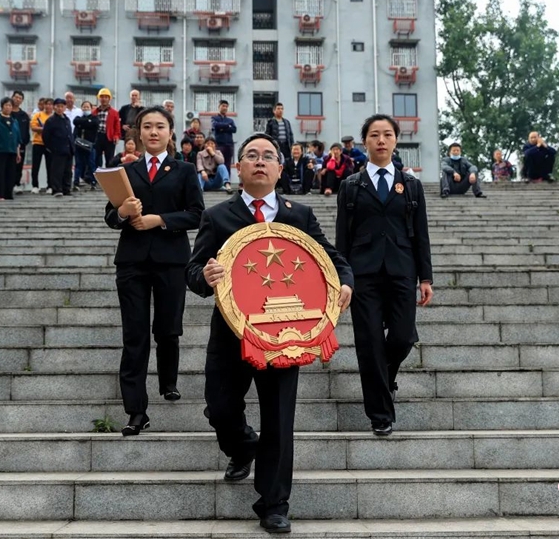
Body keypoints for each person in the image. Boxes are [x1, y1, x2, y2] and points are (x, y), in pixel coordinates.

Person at [186, 132, 353, 534]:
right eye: (251, 156)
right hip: (232, 333)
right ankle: (243, 446)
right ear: (239, 168)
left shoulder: (300, 215)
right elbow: (192, 274)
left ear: (280, 168)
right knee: (220, 407)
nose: (260, 161)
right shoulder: (218, 216)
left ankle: (274, 503)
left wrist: (345, 282)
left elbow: (331, 260)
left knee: (279, 418)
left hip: (287, 335)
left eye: (268, 156)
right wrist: (205, 276)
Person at [104, 105, 204, 437]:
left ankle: (169, 380)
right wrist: (121, 211)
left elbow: (197, 215)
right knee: (134, 336)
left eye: (160, 126)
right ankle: (136, 410)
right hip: (132, 262)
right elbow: (110, 217)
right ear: (138, 133)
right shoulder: (126, 172)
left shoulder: (184, 170)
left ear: (170, 132)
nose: (153, 132)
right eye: (147, 126)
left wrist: (159, 220)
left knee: (167, 328)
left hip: (171, 260)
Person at [335, 113, 433, 437]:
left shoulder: (412, 185)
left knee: (403, 337)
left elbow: (421, 234)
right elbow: (342, 238)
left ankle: (386, 378)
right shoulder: (350, 186)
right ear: (364, 142)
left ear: (395, 141)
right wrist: (342, 278)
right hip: (362, 275)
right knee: (370, 344)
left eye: (387, 134)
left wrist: (425, 278)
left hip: (401, 271)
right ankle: (380, 415)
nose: (381, 140)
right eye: (374, 135)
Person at [42, 97, 75, 197]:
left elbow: (69, 134)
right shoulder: (51, 121)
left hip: (68, 149)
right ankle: (57, 189)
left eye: (62, 106)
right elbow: (45, 136)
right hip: (57, 150)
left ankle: (66, 189)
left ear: (65, 107)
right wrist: (52, 148)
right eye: (58, 106)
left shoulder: (67, 119)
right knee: (57, 171)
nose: (60, 108)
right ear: (54, 107)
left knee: (68, 171)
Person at [73, 100, 99, 190]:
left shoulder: (95, 118)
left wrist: (83, 122)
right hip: (79, 145)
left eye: (88, 107)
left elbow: (94, 123)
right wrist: (86, 121)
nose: (86, 108)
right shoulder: (78, 118)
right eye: (84, 107)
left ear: (91, 108)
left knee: (91, 164)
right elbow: (75, 121)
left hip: (90, 145)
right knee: (78, 164)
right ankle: (76, 182)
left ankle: (93, 182)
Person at [93, 88, 121, 169]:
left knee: (109, 159)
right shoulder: (94, 111)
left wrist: (116, 136)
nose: (104, 99)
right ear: (99, 98)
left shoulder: (114, 112)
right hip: (97, 137)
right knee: (96, 158)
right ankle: (96, 177)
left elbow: (117, 126)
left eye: (106, 97)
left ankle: (109, 177)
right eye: (102, 97)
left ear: (109, 99)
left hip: (109, 137)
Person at [30, 98, 53, 194]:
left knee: (50, 166)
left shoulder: (54, 117)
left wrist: (44, 129)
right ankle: (35, 186)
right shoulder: (37, 115)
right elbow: (33, 127)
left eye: (50, 104)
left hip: (50, 144)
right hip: (37, 143)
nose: (48, 106)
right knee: (35, 166)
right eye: (46, 104)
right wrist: (45, 129)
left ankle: (50, 186)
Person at [10, 91, 31, 194]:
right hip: (8, 144)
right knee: (9, 164)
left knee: (19, 164)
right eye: (16, 97)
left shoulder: (24, 115)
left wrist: (25, 141)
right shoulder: (7, 113)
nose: (17, 99)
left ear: (22, 101)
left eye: (20, 98)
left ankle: (17, 184)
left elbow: (26, 130)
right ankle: (8, 184)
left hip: (21, 144)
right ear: (12, 97)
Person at [211, 99, 237, 168]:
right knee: (219, 164)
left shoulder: (230, 120)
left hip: (229, 145)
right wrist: (228, 126)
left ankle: (227, 178)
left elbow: (234, 129)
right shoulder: (214, 118)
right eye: (223, 106)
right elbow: (215, 126)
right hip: (219, 145)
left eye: (226, 106)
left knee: (228, 164)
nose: (225, 108)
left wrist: (222, 128)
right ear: (219, 107)